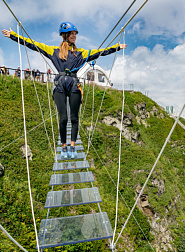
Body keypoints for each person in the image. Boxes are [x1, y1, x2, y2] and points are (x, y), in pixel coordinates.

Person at [2, 22, 127, 159]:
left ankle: (72, 146)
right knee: (63, 119)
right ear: (65, 35)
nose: (74, 36)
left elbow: (101, 52)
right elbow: (33, 44)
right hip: (60, 86)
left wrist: (117, 48)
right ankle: (63, 146)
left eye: (75, 34)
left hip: (74, 86)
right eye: (72, 33)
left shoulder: (81, 53)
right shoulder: (53, 51)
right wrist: (14, 36)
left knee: (74, 118)